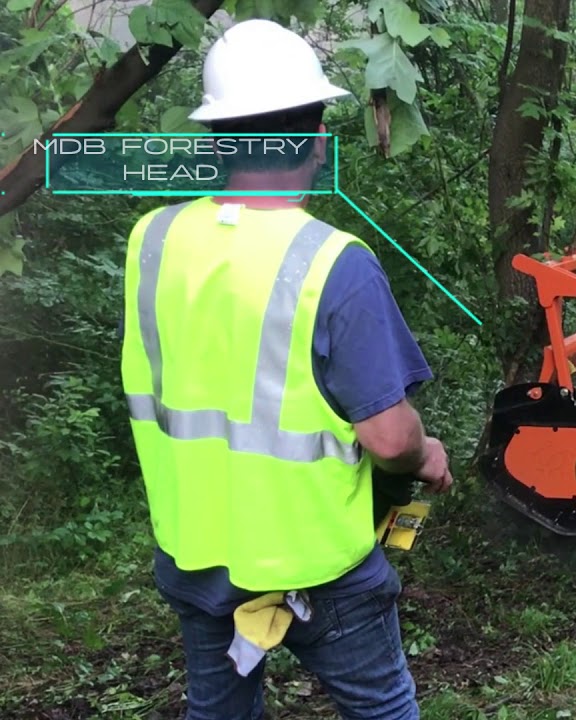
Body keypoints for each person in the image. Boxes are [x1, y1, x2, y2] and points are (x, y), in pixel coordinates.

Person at [119, 18, 450, 720]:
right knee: (382, 709)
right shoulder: (333, 263)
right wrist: (428, 456)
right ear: (313, 137)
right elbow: (390, 439)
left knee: (218, 710)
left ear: (217, 136)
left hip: (196, 552)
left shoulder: (154, 240)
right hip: (318, 570)